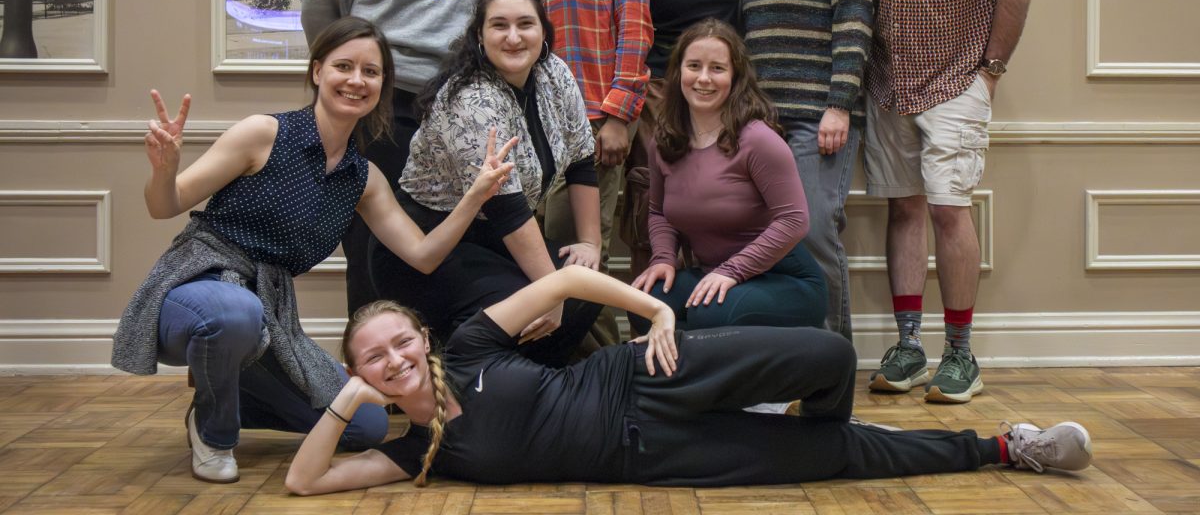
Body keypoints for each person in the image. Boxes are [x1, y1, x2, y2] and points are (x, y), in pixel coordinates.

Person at [111, 17, 514, 484]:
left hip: (268, 311)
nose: (356, 80)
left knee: (366, 425)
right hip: (196, 286)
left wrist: (475, 196)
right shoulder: (264, 134)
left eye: (371, 71)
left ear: (383, 85)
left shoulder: (362, 179)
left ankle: (227, 390)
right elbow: (167, 205)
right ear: (318, 71)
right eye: (344, 66)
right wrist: (165, 169)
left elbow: (423, 254)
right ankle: (214, 430)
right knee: (234, 312)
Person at [284, 264, 1093, 494]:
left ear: (419, 337)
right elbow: (301, 482)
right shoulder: (414, 453)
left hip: (640, 379)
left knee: (833, 356)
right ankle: (1005, 449)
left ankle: (798, 411)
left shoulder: (468, 346)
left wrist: (658, 314)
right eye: (372, 360)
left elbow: (565, 287)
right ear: (364, 375)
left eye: (397, 342)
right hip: (654, 458)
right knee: (837, 456)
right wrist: (342, 404)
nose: (392, 360)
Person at [851, 0, 1033, 403]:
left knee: (951, 213)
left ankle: (961, 355)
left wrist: (990, 73)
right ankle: (908, 346)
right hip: (887, 83)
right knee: (905, 210)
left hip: (957, 80)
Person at [302, 0, 496, 318]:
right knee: (373, 243)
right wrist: (348, 83)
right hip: (381, 107)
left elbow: (486, 20)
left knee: (447, 236)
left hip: (455, 109)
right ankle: (376, 368)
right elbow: (322, 13)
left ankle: (434, 365)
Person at [369, 0, 602, 366]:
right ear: (479, 35)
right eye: (499, 25)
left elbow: (581, 160)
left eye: (525, 24)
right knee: (532, 306)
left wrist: (590, 243)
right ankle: (459, 408)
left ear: (544, 30)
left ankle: (527, 399)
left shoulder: (555, 75)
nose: (513, 37)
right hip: (433, 243)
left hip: (492, 238)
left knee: (588, 290)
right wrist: (554, 290)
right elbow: (505, 209)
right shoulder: (471, 98)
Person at [741, 0, 873, 343]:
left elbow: (855, 18)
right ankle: (787, 356)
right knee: (767, 237)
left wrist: (839, 104)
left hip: (819, 119)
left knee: (815, 230)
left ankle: (831, 360)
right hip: (760, 123)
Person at [629, 19, 827, 335]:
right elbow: (658, 211)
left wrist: (733, 271)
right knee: (644, 305)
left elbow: (794, 220)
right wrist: (664, 259)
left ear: (735, 77)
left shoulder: (757, 140)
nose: (704, 78)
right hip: (714, 274)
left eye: (717, 68)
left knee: (709, 315)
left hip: (785, 280)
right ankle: (689, 378)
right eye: (694, 65)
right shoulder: (665, 141)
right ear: (678, 72)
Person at [520, 0, 652, 287]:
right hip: (539, 120)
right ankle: (556, 355)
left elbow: (636, 28)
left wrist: (618, 116)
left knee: (577, 251)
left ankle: (599, 357)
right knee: (541, 253)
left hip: (596, 116)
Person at [622, 0, 750, 276]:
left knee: (719, 207)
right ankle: (652, 321)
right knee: (654, 209)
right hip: (660, 95)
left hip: (724, 97)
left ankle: (709, 326)